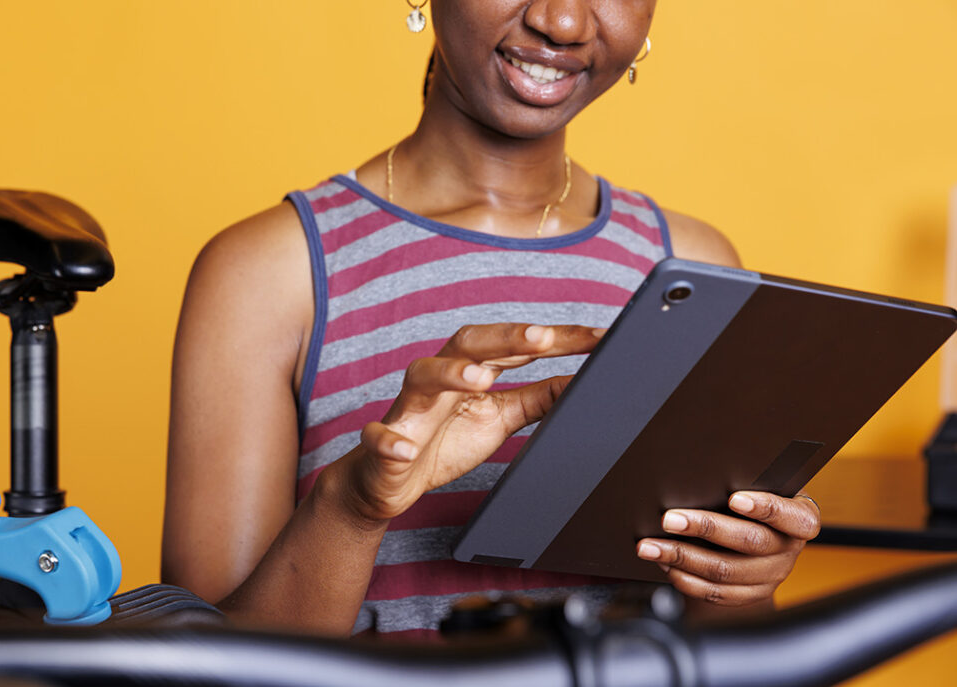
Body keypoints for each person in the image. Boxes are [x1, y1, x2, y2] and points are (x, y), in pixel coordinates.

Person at [161, 0, 822, 639]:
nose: (561, 20)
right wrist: (354, 504)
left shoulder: (691, 265)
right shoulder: (271, 273)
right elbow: (214, 664)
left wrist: (742, 580)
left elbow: (715, 652)